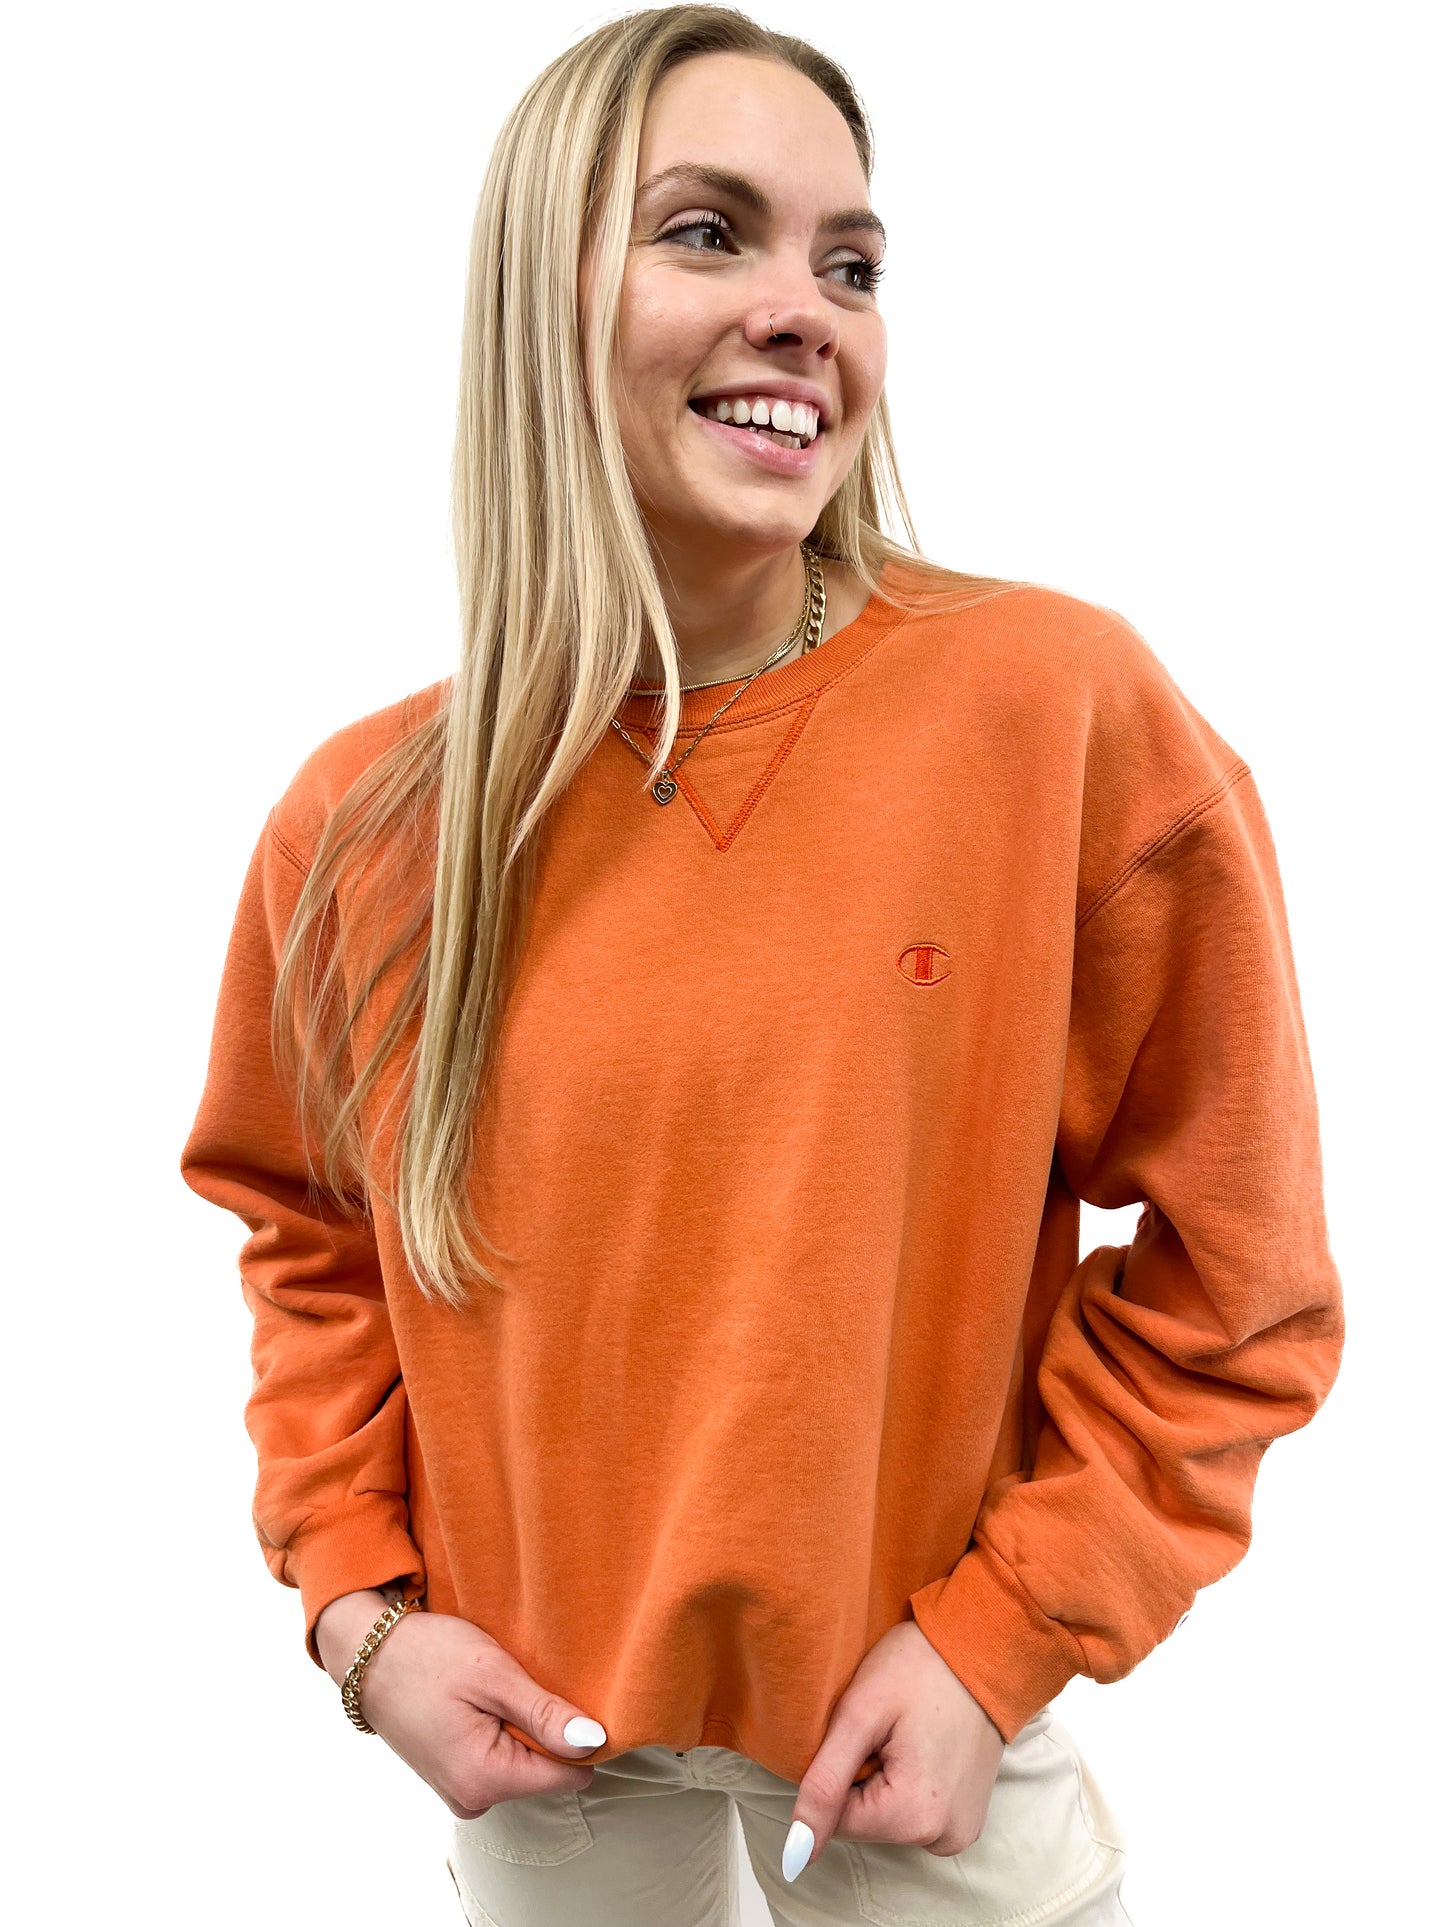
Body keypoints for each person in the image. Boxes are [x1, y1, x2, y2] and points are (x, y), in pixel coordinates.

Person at [180, 7, 1345, 1923]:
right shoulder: (365, 827)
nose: (805, 311)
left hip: (922, 1724)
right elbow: (313, 1249)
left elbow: (1246, 1281)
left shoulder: (1052, 715)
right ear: (538, 296)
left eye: (851, 264)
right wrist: (359, 1618)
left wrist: (1001, 1640)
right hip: (535, 1742)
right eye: (706, 232)